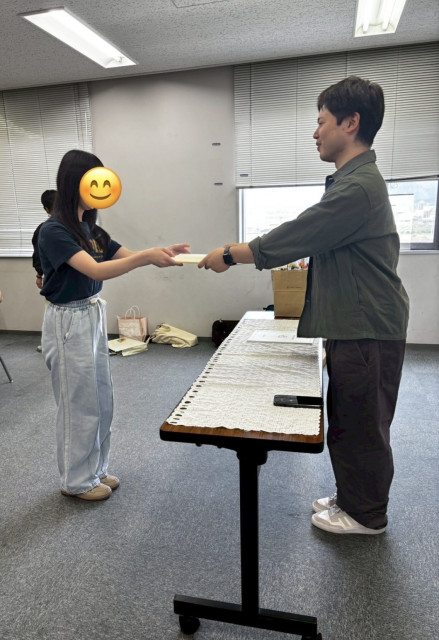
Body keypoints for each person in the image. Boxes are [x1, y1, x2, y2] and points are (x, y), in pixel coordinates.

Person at [199, 76, 409, 535]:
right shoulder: (352, 181)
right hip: (356, 323)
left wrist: (231, 254)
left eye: (322, 122)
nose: (315, 132)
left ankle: (366, 514)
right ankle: (352, 497)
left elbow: (300, 233)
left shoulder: (358, 188)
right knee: (348, 416)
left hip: (368, 326)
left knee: (362, 424)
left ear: (350, 123)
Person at [38, 149, 190, 501]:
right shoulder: (53, 231)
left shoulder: (90, 228)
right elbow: (96, 269)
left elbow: (125, 255)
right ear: (75, 183)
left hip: (91, 314)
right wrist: (146, 257)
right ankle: (77, 481)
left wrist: (160, 254)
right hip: (67, 320)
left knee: (101, 399)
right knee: (78, 403)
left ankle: (95, 469)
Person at [32, 190, 57, 352]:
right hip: (75, 277)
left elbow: (38, 254)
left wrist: (39, 275)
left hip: (53, 278)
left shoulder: (44, 229)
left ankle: (49, 344)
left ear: (46, 209)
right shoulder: (75, 226)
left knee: (51, 311)